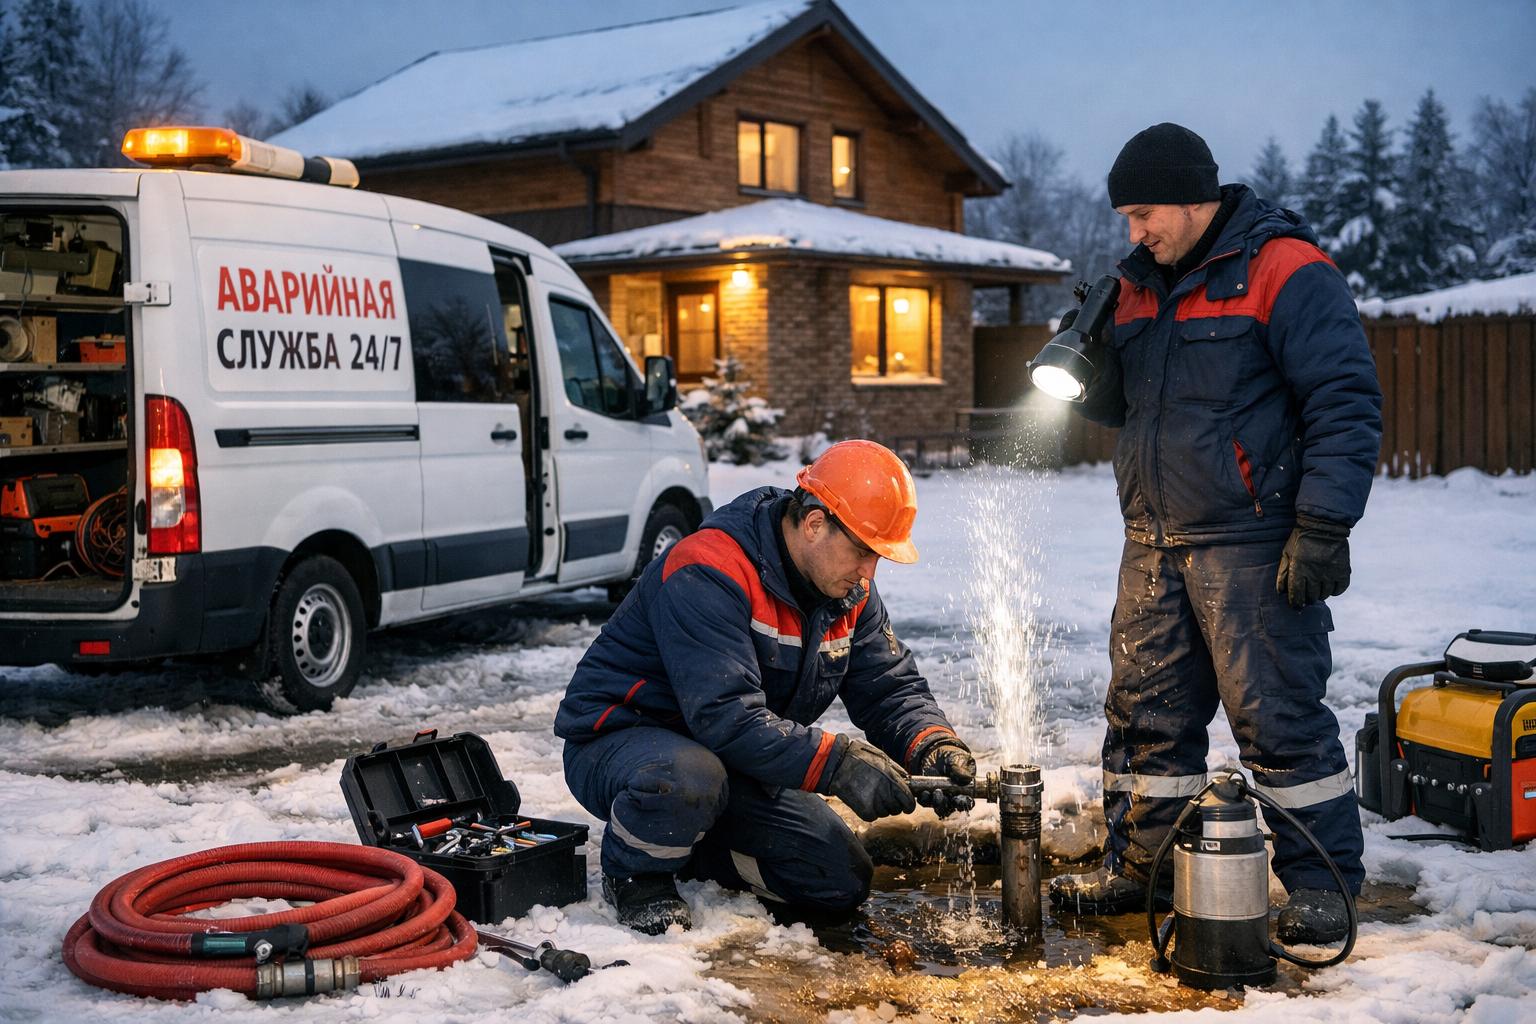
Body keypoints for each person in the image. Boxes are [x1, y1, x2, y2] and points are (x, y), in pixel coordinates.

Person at [1046, 123, 1383, 944]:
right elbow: (1126, 408)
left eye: (1145, 212)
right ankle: (1141, 867)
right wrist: (1083, 368)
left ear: (1197, 199)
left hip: (1254, 542)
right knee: (1144, 714)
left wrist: (1323, 525)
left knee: (1279, 719)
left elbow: (1344, 400)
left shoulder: (1285, 270)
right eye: (1126, 217)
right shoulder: (1133, 287)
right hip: (1153, 539)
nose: (1136, 232)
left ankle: (1322, 885)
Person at [555, 440, 977, 934]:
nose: (869, 572)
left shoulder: (848, 590)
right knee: (688, 777)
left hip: (734, 758)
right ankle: (637, 873)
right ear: (815, 522)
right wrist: (836, 763)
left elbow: (887, 686)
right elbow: (724, 716)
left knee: (838, 880)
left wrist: (930, 745)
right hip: (624, 746)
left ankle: (694, 844)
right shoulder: (709, 569)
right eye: (863, 551)